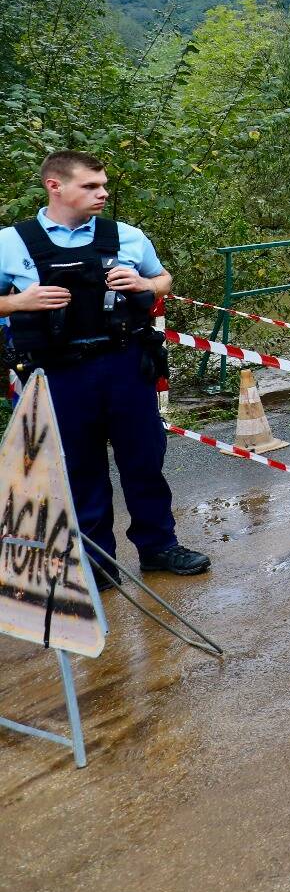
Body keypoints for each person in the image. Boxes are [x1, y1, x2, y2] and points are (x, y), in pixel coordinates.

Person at [0, 152, 208, 582]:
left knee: (144, 459)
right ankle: (96, 564)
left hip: (126, 364)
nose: (103, 193)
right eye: (91, 186)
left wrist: (146, 284)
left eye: (104, 185)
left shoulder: (126, 236)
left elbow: (163, 279)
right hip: (58, 373)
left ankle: (159, 547)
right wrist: (19, 302)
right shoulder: (11, 243)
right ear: (55, 186)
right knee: (80, 467)